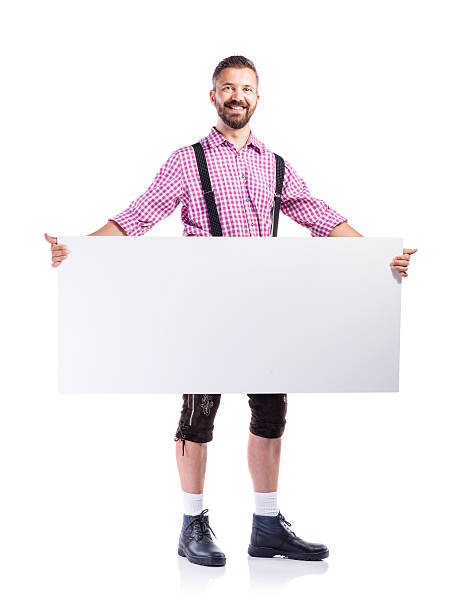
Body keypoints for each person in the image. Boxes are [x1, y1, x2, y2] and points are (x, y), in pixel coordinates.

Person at [45, 55, 417, 568]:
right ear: (213, 96)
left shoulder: (276, 164)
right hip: (204, 310)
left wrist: (381, 258)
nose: (236, 95)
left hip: (265, 310)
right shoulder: (186, 159)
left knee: (271, 414)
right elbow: (140, 214)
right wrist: (78, 250)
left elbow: (320, 216)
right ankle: (190, 525)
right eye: (227, 87)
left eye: (245, 88)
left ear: (257, 97)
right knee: (198, 416)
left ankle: (267, 527)